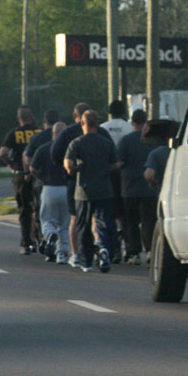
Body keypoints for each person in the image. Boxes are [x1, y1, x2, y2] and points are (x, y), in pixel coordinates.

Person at [52, 103, 113, 268]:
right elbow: (115, 161)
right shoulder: (104, 135)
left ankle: (78, 255)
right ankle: (101, 246)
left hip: (79, 185)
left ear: (77, 118)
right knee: (99, 221)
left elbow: (57, 155)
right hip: (103, 185)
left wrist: (69, 170)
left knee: (78, 220)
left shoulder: (71, 136)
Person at [116, 109, 160, 264]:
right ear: (146, 122)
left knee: (131, 222)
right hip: (150, 188)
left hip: (129, 188)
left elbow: (119, 162)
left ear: (132, 122)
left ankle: (133, 253)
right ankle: (150, 251)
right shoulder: (153, 140)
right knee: (149, 221)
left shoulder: (125, 140)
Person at [0, 106, 41, 254]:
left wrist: (11, 163)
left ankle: (26, 242)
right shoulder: (39, 132)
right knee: (38, 207)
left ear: (18, 118)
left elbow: (3, 152)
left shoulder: (14, 133)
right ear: (31, 117)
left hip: (20, 174)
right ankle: (39, 238)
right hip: (37, 174)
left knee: (24, 209)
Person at [30, 122, 70, 264]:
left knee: (46, 220)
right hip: (66, 188)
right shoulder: (70, 148)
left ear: (53, 133)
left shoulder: (43, 148)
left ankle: (50, 234)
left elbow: (32, 168)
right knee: (65, 224)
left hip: (49, 187)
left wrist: (41, 177)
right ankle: (62, 254)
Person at [23, 108, 59, 253]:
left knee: (40, 211)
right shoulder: (65, 137)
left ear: (45, 121)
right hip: (62, 181)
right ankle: (58, 243)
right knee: (62, 215)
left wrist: (29, 174)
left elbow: (27, 159)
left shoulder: (37, 138)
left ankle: (44, 237)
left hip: (41, 180)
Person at [100, 99, 130, 263]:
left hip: (108, 173)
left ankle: (114, 247)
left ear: (110, 112)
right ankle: (128, 244)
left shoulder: (103, 128)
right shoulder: (129, 127)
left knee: (110, 211)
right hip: (125, 174)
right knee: (125, 212)